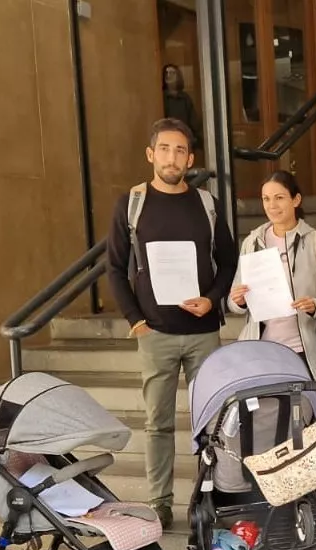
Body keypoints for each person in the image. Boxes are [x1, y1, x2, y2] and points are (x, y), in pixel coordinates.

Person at [107, 118, 237, 529]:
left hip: (203, 333)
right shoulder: (133, 202)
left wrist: (213, 298)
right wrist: (135, 319)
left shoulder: (206, 204)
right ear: (151, 154)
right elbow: (114, 267)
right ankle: (160, 502)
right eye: (164, 149)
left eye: (180, 150)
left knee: (211, 422)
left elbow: (229, 259)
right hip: (156, 333)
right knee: (158, 424)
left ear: (191, 158)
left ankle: (208, 497)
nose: (172, 157)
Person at [228, 171, 316, 381]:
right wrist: (239, 301)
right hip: (260, 351)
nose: (272, 205)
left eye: (279, 198)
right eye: (266, 199)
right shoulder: (252, 243)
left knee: (303, 412)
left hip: (304, 351)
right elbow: (233, 303)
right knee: (267, 414)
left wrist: (315, 305)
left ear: (296, 200)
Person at [162, 64, 201, 147]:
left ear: (178, 76)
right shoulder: (161, 98)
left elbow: (194, 122)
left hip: (183, 139)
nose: (168, 75)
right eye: (166, 73)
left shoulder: (185, 98)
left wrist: (195, 139)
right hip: (166, 139)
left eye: (172, 73)